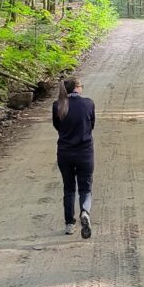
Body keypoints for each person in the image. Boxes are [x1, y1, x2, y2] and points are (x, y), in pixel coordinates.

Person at [52, 76, 96, 238]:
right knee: (85, 187)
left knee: (69, 188)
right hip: (85, 152)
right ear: (77, 88)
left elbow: (57, 126)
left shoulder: (57, 106)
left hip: (65, 153)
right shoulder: (88, 103)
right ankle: (85, 212)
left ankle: (69, 224)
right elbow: (91, 125)